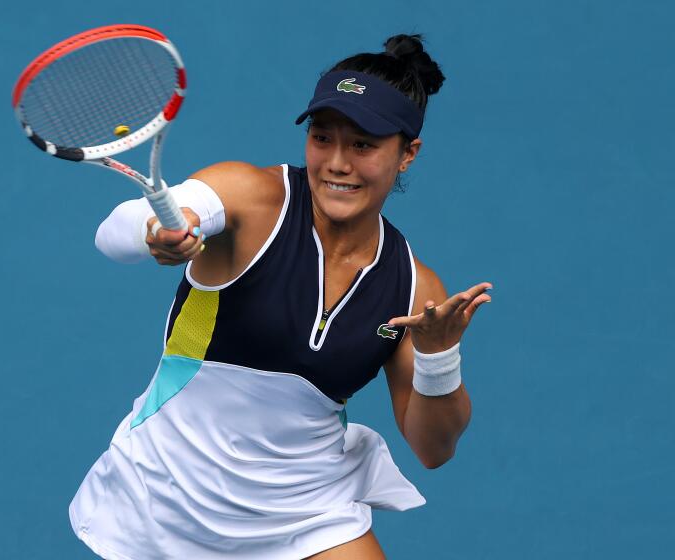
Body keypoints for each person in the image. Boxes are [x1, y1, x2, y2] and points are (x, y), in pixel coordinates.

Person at [70, 33, 492, 560]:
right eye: (322, 138)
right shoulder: (253, 197)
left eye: (362, 145)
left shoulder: (414, 287)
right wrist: (157, 230)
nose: (336, 162)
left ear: (407, 154)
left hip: (308, 511)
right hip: (168, 493)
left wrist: (439, 356)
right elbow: (116, 231)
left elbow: (434, 449)